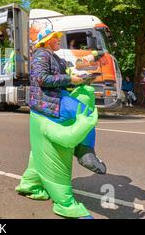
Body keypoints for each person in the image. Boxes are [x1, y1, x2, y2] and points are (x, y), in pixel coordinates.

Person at [28, 28, 106, 174]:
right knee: (86, 114)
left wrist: (79, 81)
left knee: (84, 112)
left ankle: (84, 150)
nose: (58, 40)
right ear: (46, 41)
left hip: (58, 95)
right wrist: (70, 79)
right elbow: (42, 79)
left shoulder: (55, 57)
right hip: (48, 100)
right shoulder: (41, 54)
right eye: (55, 38)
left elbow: (64, 78)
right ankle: (85, 153)